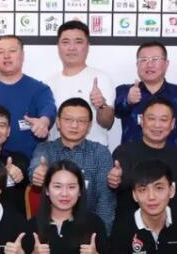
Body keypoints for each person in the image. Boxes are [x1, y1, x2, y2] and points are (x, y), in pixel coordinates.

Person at [29, 99, 116, 233]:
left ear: (89, 125)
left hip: (89, 229)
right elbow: (36, 166)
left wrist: (102, 235)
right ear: (58, 122)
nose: (74, 126)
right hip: (51, 229)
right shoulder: (45, 149)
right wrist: (37, 173)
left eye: (81, 121)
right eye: (68, 119)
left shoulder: (100, 153)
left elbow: (105, 201)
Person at [108, 97, 177, 217]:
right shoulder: (124, 153)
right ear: (142, 121)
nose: (157, 125)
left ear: (172, 124)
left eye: (163, 120)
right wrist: (114, 182)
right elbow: (115, 190)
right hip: (130, 223)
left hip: (171, 224)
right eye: (151, 119)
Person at [0, 34, 57, 161]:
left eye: (12, 51)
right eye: (1, 52)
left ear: (22, 56)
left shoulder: (39, 89)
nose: (6, 56)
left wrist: (43, 122)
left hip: (29, 164)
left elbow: (48, 108)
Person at [113, 41, 177, 153]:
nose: (149, 65)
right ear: (137, 65)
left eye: (155, 59)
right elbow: (116, 112)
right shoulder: (124, 91)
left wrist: (163, 154)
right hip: (132, 158)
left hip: (170, 159)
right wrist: (128, 101)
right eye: (144, 60)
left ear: (166, 64)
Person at [46, 21, 115, 145]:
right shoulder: (48, 83)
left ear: (88, 46)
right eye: (65, 42)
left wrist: (102, 105)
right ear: (58, 46)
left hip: (94, 153)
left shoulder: (100, 78)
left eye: (78, 42)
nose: (71, 48)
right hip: (57, 153)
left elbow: (108, 123)